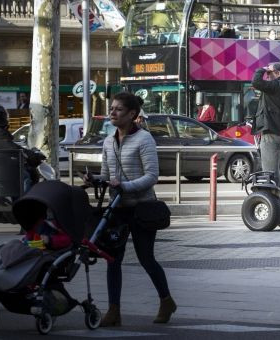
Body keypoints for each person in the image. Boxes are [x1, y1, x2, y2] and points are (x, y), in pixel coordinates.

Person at [84, 92, 176, 326]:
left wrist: (125, 186)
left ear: (132, 114)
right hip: (117, 209)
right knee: (112, 260)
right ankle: (114, 310)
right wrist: (95, 179)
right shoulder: (108, 141)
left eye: (118, 109)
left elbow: (152, 176)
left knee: (146, 258)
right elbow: (106, 175)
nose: (112, 113)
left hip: (142, 208)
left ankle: (166, 301)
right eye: (111, 108)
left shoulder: (144, 139)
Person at [251, 63, 280, 211]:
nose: (267, 77)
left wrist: (262, 69)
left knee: (270, 171)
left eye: (269, 74)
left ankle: (273, 204)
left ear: (277, 73)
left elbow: (256, 82)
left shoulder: (278, 85)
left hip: (272, 133)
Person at [0, 104, 37, 194]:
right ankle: (23, 202)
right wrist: (31, 155)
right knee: (26, 176)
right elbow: (12, 148)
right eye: (4, 116)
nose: (6, 118)